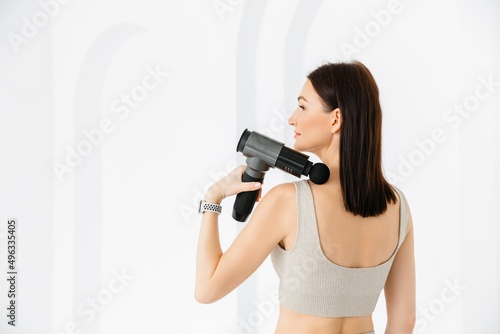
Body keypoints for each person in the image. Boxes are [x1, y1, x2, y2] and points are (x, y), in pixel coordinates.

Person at [195, 61, 416, 334]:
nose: (292, 119)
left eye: (302, 106)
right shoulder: (397, 206)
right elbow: (404, 321)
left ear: (335, 119)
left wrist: (212, 199)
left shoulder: (287, 202)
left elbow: (207, 289)